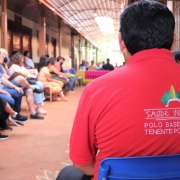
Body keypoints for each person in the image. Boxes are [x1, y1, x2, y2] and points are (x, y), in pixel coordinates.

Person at [56, 0, 180, 180]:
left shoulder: (96, 90)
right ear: (173, 39)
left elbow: (82, 163)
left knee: (67, 174)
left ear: (121, 41)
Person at [0, 49, 44, 119]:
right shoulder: (2, 67)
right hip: (5, 86)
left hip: (10, 84)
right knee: (20, 78)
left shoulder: (4, 65)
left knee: (29, 91)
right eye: (5, 55)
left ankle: (33, 113)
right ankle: (32, 88)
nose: (7, 56)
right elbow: (6, 79)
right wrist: (16, 77)